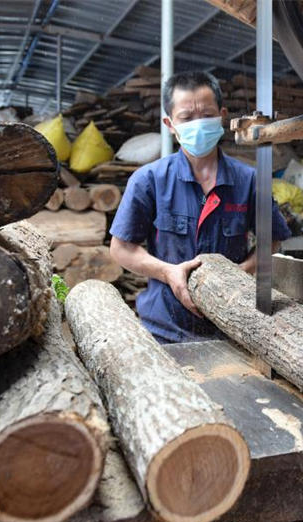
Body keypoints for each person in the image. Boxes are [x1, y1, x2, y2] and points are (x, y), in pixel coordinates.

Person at [109, 71, 291, 344]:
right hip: (164, 329)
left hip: (231, 328)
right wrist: (167, 272)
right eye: (187, 118)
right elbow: (121, 248)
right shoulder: (150, 180)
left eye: (207, 115)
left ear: (223, 115)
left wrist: (240, 273)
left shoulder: (248, 180)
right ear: (170, 123)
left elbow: (273, 239)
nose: (198, 124)